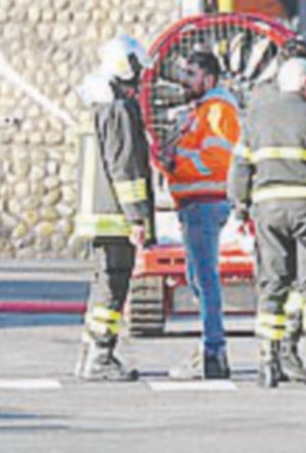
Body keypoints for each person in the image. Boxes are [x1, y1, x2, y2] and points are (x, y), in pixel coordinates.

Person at [228, 57, 306, 387]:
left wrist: (240, 207)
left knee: (273, 283)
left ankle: (268, 363)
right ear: (305, 85)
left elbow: (239, 169)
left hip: (268, 209)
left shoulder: (255, 119)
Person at [72, 35, 155, 382]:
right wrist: (137, 217)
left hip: (100, 213)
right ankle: (101, 356)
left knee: (104, 281)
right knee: (114, 284)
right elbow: (126, 167)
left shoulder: (98, 106)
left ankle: (90, 352)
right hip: (115, 215)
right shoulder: (119, 110)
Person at [161, 49, 241, 380]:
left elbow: (219, 160)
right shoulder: (203, 111)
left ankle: (212, 351)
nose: (185, 80)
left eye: (191, 73)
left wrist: (176, 163)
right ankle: (209, 347)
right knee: (199, 279)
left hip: (205, 202)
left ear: (209, 78)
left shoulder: (217, 110)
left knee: (205, 279)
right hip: (194, 203)